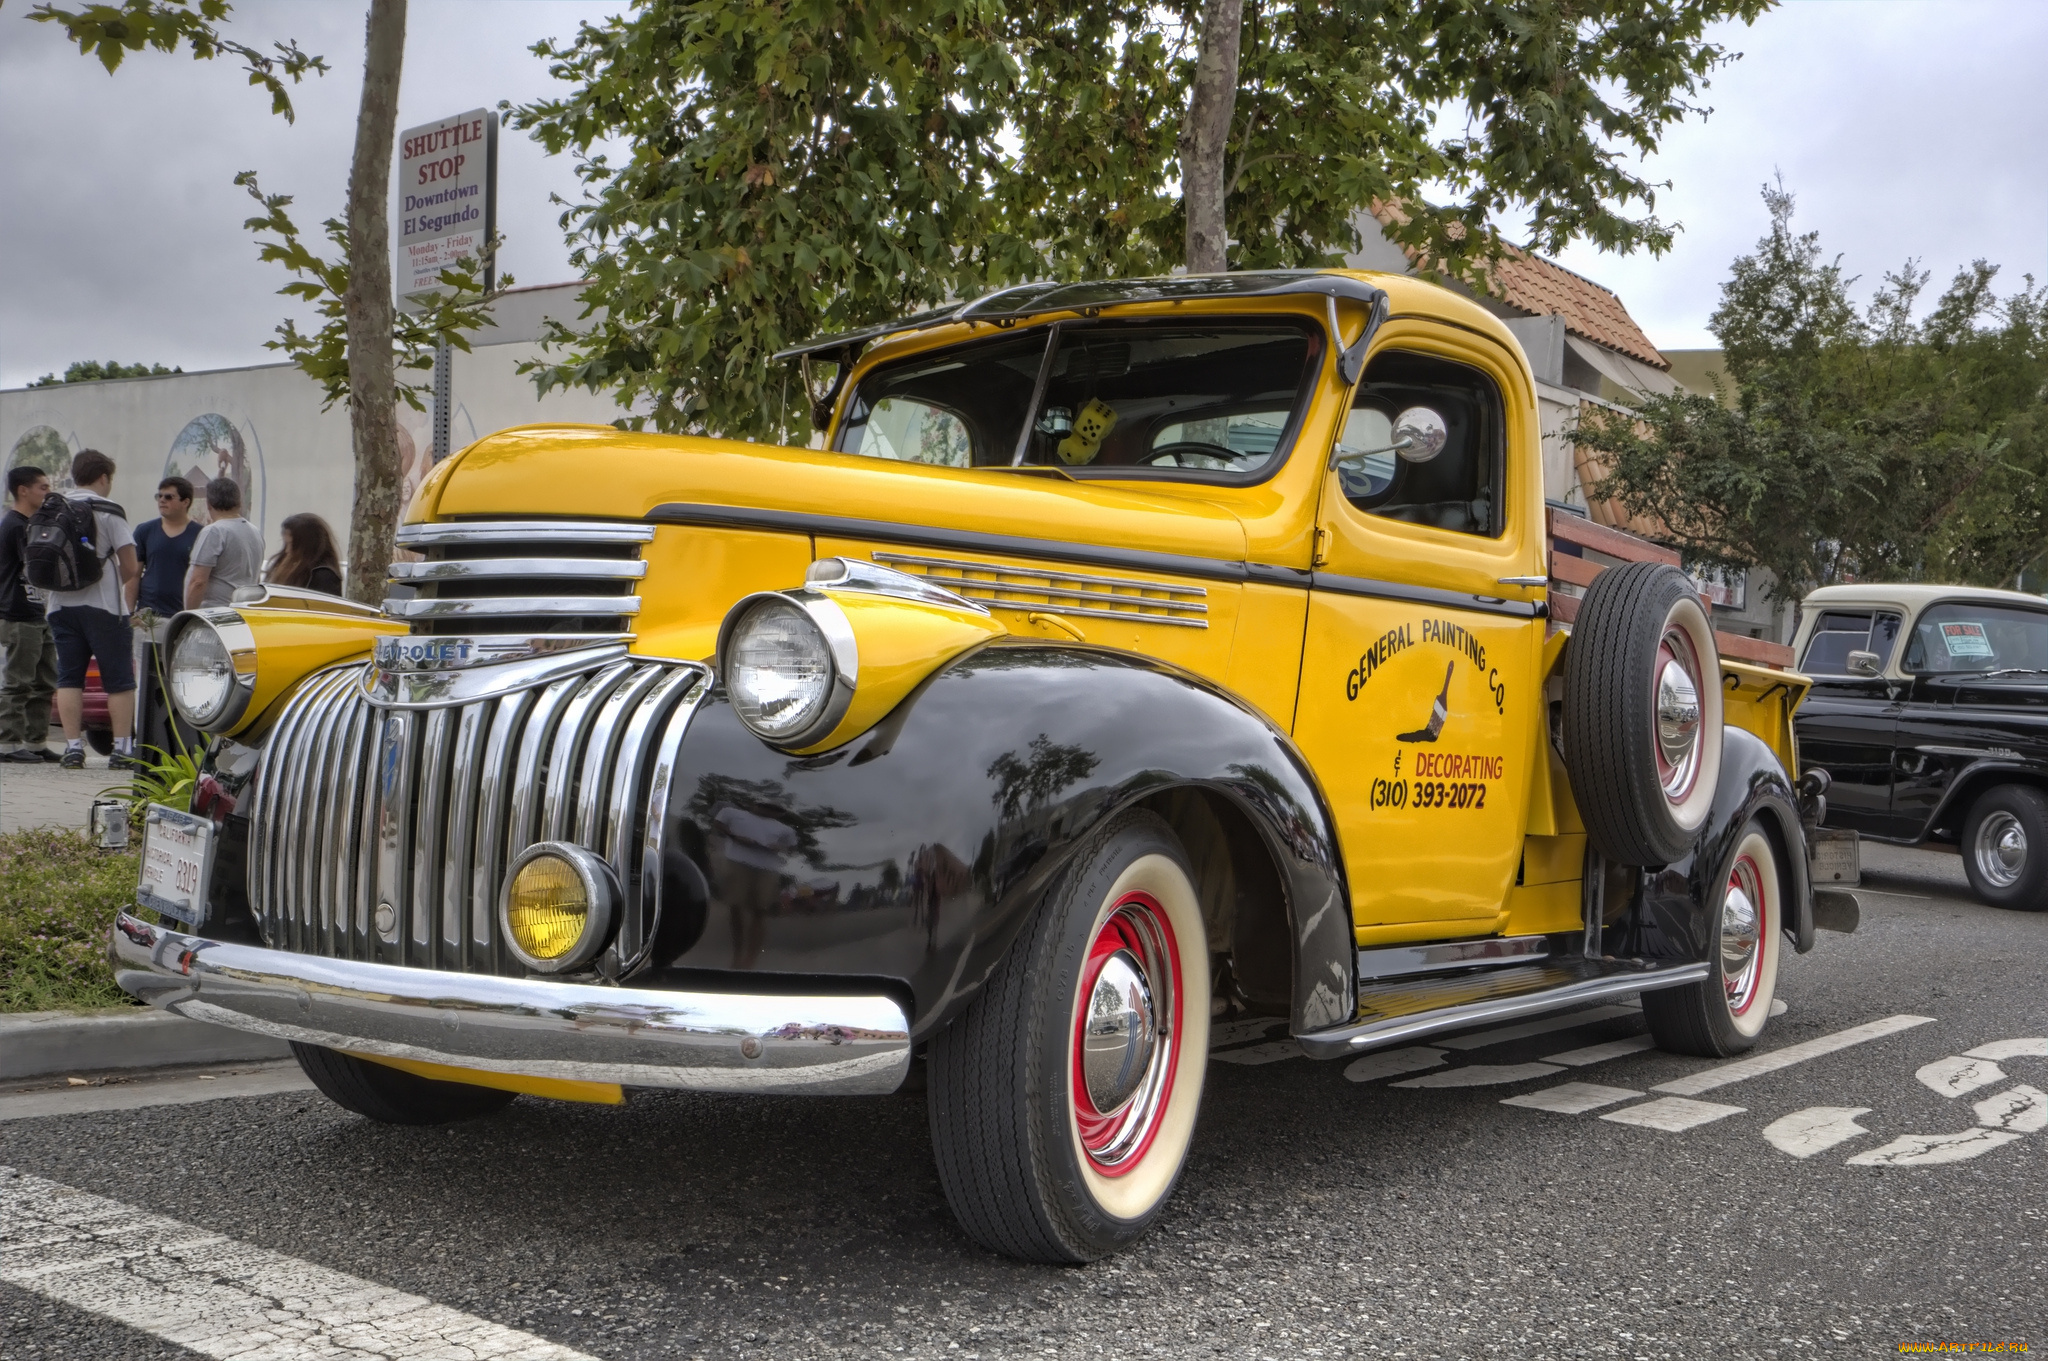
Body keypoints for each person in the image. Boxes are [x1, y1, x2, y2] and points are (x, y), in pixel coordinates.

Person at [46, 449, 139, 770]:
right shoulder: (109, 510)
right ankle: (122, 749)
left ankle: (73, 748)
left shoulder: (54, 507)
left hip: (59, 606)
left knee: (69, 677)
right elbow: (131, 565)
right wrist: (108, 578)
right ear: (103, 478)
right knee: (119, 680)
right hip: (104, 608)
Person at [0, 466, 60, 763]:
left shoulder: (31, 523)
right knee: (18, 680)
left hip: (40, 612)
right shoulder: (14, 525)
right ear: (23, 490)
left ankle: (36, 741)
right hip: (18, 613)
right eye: (43, 487)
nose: (47, 493)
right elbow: (34, 565)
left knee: (45, 680)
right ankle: (7, 744)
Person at [184, 477, 264, 609]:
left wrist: (188, 617)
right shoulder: (255, 532)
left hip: (215, 614)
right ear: (239, 502)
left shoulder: (214, 531)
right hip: (243, 610)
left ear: (209, 504)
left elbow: (198, 582)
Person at [130, 476, 199, 617]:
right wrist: (129, 613)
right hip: (148, 615)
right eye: (159, 496)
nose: (162, 500)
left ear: (185, 502)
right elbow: (134, 575)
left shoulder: (201, 534)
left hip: (182, 615)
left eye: (169, 497)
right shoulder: (144, 531)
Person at [264, 512, 343, 595]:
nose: (287, 551)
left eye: (291, 545)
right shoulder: (289, 566)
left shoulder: (323, 575)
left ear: (308, 546)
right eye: (285, 544)